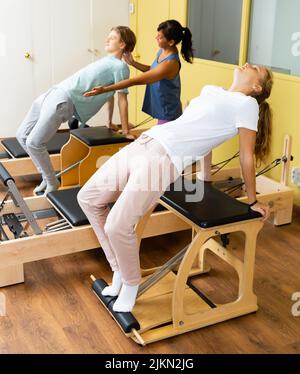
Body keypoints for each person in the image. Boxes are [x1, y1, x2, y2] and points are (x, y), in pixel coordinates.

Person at [77, 62, 273, 313]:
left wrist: (253, 199)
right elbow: (203, 132)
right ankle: (119, 269)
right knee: (88, 198)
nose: (247, 64)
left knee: (117, 224)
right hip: (146, 141)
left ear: (257, 86)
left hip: (163, 160)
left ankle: (130, 283)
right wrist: (205, 177)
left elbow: (246, 155)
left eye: (255, 67)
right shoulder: (211, 90)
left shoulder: (247, 105)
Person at [16, 26, 136, 195]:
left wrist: (125, 130)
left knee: (34, 143)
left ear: (122, 44)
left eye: (112, 38)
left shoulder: (121, 68)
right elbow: (109, 94)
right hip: (53, 92)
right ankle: (47, 177)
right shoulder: (107, 61)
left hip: (63, 99)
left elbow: (121, 98)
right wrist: (109, 121)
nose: (106, 40)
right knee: (21, 135)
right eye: (108, 36)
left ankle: (51, 181)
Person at [84, 20, 193, 125]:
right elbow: (153, 70)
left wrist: (104, 89)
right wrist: (133, 63)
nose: (156, 38)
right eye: (157, 35)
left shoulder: (170, 63)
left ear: (171, 42)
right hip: (162, 106)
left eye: (160, 37)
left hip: (168, 112)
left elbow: (135, 81)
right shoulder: (163, 50)